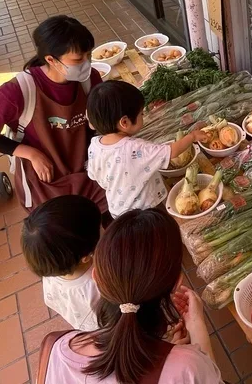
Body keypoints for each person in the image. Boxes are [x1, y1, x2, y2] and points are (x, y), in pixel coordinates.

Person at [38, 207, 222, 384]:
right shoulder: (187, 368)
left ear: (96, 278)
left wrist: (169, 356)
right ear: (177, 283)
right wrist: (196, 327)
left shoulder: (55, 346)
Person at [0, 16, 109, 219]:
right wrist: (30, 153)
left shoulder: (89, 79)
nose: (86, 63)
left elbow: (100, 121)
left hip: (87, 171)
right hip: (46, 180)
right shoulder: (19, 90)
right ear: (51, 59)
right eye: (78, 59)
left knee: (107, 218)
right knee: (62, 231)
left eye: (89, 55)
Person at [86, 81, 209, 218]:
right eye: (141, 114)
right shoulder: (136, 149)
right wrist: (191, 136)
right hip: (145, 211)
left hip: (118, 211)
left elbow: (95, 176)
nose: (143, 116)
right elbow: (172, 151)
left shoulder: (94, 145)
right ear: (124, 122)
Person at [21, 195, 101, 331]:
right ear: (86, 257)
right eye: (99, 229)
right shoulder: (97, 283)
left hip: (81, 323)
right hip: (106, 328)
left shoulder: (51, 271)